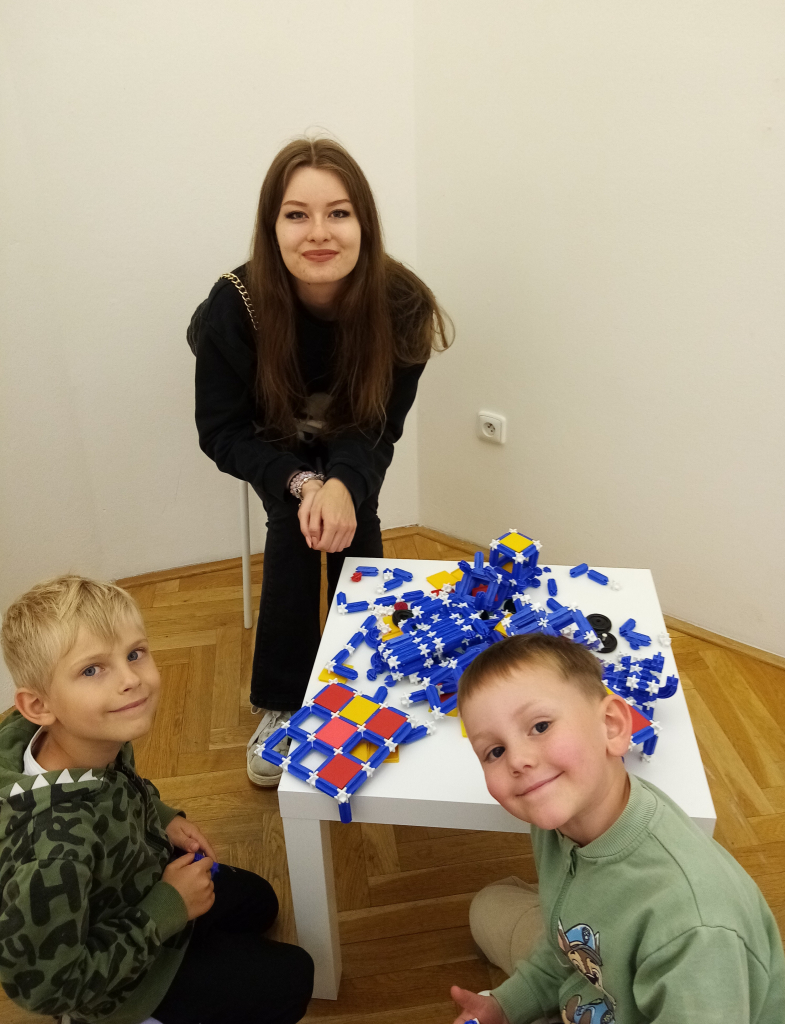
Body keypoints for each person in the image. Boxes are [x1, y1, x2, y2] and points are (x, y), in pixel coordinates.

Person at [191, 137, 451, 787]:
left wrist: (343, 483)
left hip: (351, 427)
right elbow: (222, 430)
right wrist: (306, 483)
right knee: (296, 521)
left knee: (353, 510)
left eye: (338, 213)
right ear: (271, 226)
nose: (318, 233)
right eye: (296, 214)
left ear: (364, 222)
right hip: (267, 430)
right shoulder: (235, 305)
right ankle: (284, 701)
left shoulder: (402, 306)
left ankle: (363, 680)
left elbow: (376, 426)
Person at [0, 575, 313, 1024]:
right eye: (92, 670)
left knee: (261, 903)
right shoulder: (52, 854)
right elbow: (49, 988)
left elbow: (120, 785)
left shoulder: (90, 732)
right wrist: (167, 908)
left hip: (142, 883)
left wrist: (162, 817)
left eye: (134, 654)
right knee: (294, 979)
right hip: (123, 986)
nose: (131, 680)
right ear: (38, 706)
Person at [450, 634, 785, 1024]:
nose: (518, 761)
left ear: (611, 727)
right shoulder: (559, 808)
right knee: (486, 905)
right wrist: (506, 1004)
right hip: (594, 978)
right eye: (495, 751)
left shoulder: (694, 927)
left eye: (540, 726)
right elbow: (567, 940)